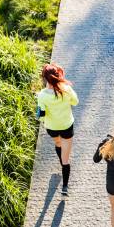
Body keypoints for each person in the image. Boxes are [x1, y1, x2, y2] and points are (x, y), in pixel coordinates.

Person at [37, 63, 79, 195]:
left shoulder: (42, 95)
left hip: (52, 127)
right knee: (66, 160)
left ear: (45, 79)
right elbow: (75, 102)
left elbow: (41, 115)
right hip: (66, 126)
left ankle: (61, 162)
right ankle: (64, 187)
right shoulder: (66, 89)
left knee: (58, 143)